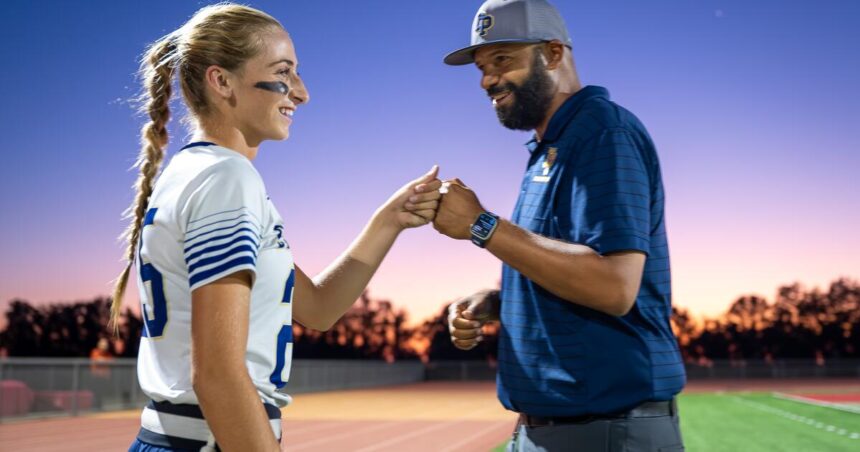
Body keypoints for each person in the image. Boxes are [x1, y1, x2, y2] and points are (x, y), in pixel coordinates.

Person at [108, 4, 441, 451]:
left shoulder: (192, 172)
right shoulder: (227, 178)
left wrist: (388, 221)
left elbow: (318, 309)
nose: (301, 93)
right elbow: (217, 375)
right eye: (284, 72)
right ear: (221, 81)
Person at [436, 1, 685, 450]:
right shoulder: (553, 147)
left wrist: (481, 225)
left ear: (553, 53)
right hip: (557, 427)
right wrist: (501, 302)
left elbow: (613, 286)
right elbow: (568, 268)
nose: (487, 80)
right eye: (482, 67)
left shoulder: (603, 133)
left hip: (605, 428)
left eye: (502, 59)